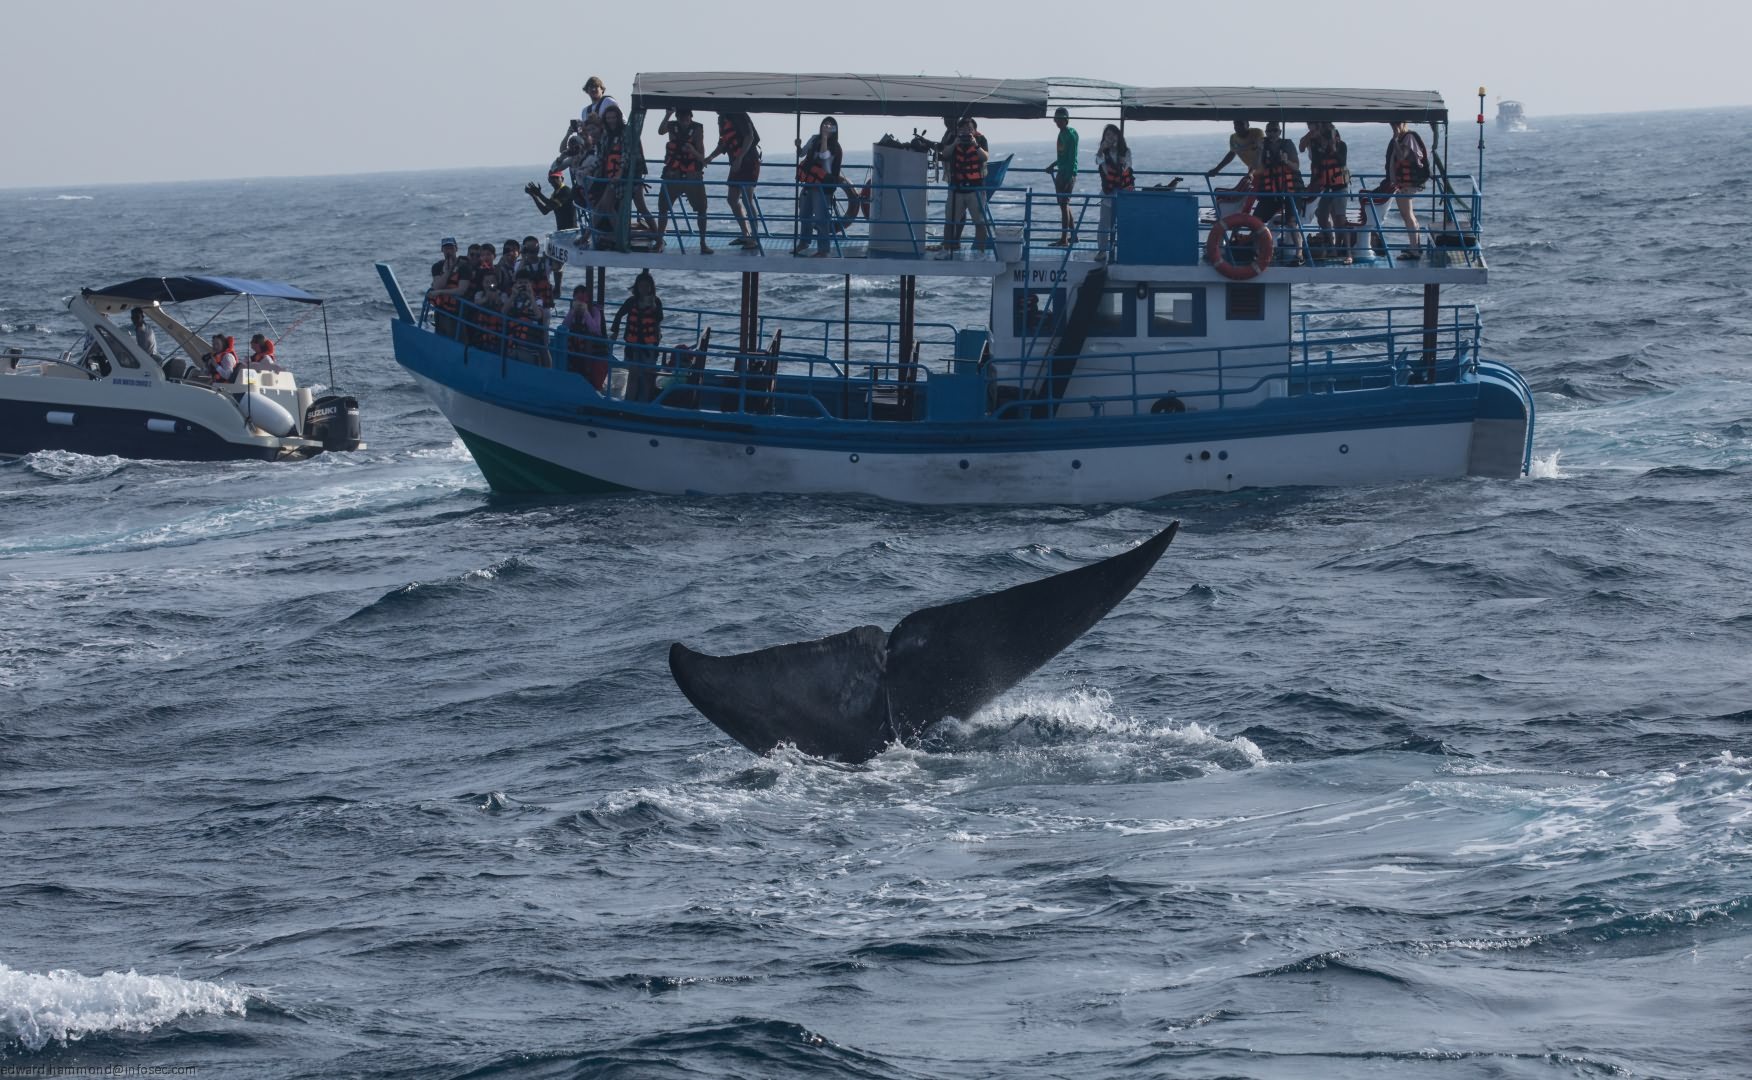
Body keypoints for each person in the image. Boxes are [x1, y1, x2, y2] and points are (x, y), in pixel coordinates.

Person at [655, 107, 712, 253]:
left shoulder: (698, 129)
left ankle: (703, 243)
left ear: (691, 117)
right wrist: (667, 114)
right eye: (681, 118)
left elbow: (702, 158)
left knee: (702, 209)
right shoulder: (672, 125)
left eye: (687, 118)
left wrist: (692, 150)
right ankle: (659, 241)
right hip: (672, 175)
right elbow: (660, 131)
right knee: (663, 208)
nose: (684, 121)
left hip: (693, 176)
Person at [705, 111, 762, 248]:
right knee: (732, 199)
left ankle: (754, 238)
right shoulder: (722, 118)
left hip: (748, 160)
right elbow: (723, 143)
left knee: (747, 200)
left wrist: (740, 158)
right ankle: (745, 234)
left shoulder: (739, 114)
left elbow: (749, 136)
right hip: (736, 162)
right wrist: (711, 157)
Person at [1251, 121, 1304, 262]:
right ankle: (1259, 253)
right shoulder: (1263, 145)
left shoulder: (1287, 144)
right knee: (1255, 221)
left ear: (1280, 132)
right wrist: (1260, 150)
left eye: (1275, 131)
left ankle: (1299, 254)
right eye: (1269, 131)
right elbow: (1256, 167)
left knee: (1292, 222)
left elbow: (1296, 167)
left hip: (1290, 191)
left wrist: (1286, 161)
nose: (1272, 134)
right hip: (1272, 192)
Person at [793, 116, 843, 257]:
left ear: (835, 130)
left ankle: (823, 250)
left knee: (821, 218)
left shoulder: (835, 148)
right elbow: (801, 153)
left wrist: (825, 139)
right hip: (810, 184)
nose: (826, 128)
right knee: (804, 214)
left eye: (830, 126)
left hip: (822, 186)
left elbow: (824, 159)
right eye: (825, 125)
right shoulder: (814, 139)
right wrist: (798, 145)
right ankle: (804, 242)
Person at [1301, 122, 1351, 263]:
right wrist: (1322, 147)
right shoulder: (1318, 148)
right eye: (1323, 136)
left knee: (1340, 219)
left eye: (1327, 136)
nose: (1325, 139)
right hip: (1326, 188)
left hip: (1340, 188)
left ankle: (1348, 253)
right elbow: (1317, 162)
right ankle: (1331, 246)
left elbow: (1341, 162)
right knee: (1321, 217)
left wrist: (1333, 147)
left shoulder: (1342, 146)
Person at [610, 269, 663, 402]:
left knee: (647, 377)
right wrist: (615, 331)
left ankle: (645, 403)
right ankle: (629, 402)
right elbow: (619, 315)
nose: (644, 289)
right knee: (632, 376)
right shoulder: (631, 301)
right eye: (641, 286)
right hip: (632, 346)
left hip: (648, 346)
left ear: (651, 288)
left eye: (647, 286)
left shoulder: (656, 302)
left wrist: (653, 307)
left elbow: (659, 318)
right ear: (637, 287)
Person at [940, 116, 990, 256]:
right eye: (962, 129)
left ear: (974, 130)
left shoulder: (980, 140)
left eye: (969, 129)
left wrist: (976, 145)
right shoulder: (953, 139)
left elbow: (985, 157)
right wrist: (955, 143)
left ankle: (980, 252)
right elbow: (945, 154)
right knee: (950, 221)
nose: (966, 132)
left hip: (976, 189)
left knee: (980, 222)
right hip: (956, 188)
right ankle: (946, 249)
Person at [1385, 120, 1430, 258]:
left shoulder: (1408, 137)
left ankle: (1414, 249)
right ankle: (1415, 246)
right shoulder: (1402, 138)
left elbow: (1402, 156)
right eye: (1393, 125)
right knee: (1409, 215)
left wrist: (1395, 139)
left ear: (1404, 124)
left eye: (1397, 124)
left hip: (1406, 184)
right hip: (1402, 183)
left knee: (1407, 215)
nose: (1394, 127)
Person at [1094, 124, 1134, 257]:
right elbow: (1098, 161)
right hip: (1108, 194)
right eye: (1107, 135)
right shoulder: (1103, 153)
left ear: (1118, 136)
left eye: (1113, 134)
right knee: (1104, 224)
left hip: (1123, 195)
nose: (1110, 137)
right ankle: (1102, 250)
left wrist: (1121, 161)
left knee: (1124, 223)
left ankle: (1125, 250)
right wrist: (1101, 149)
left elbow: (1127, 167)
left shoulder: (1126, 151)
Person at [560, 284, 610, 390]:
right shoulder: (572, 311)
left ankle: (589, 381)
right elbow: (564, 326)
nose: (580, 303)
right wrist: (573, 311)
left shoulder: (594, 310)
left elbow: (595, 330)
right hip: (575, 348)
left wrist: (586, 312)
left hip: (592, 349)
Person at [1045, 107, 1079, 246]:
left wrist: (1068, 177)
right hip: (1061, 172)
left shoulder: (1070, 135)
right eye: (1056, 120)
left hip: (1067, 174)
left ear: (1066, 120)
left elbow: (1071, 159)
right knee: (1064, 204)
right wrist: (1053, 165)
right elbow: (1062, 156)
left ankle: (1064, 239)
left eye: (1060, 120)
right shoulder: (1061, 134)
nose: (1057, 122)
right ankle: (1074, 235)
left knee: (1064, 204)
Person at [1206, 118, 1264, 183]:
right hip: (1254, 174)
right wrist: (1216, 170)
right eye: (1236, 124)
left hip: (1267, 172)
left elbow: (1259, 153)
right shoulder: (1233, 138)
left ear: (1248, 124)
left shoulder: (1257, 133)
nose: (1238, 127)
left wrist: (1250, 173)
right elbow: (1231, 154)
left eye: (1241, 124)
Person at [429, 236, 462, 337]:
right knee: (442, 332)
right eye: (446, 248)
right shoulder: (437, 266)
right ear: (442, 250)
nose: (449, 251)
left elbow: (462, 289)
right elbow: (437, 287)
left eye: (451, 248)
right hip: (442, 308)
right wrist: (448, 271)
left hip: (458, 308)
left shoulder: (463, 265)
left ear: (456, 249)